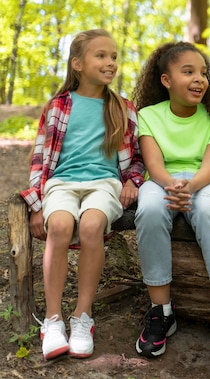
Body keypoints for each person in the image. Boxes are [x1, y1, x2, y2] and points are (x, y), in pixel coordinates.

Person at [21, 29, 144, 360]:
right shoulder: (58, 106)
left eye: (114, 56)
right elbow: (39, 159)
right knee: (58, 227)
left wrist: (133, 181)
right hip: (61, 183)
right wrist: (36, 204)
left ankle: (82, 317)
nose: (110, 62)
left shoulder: (122, 107)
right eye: (101, 55)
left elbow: (136, 158)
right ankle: (53, 320)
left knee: (91, 227)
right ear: (77, 63)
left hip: (104, 184)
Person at [131, 42, 210, 364]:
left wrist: (189, 188)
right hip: (162, 181)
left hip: (205, 183)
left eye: (203, 73)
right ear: (166, 80)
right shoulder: (148, 116)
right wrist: (172, 186)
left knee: (208, 210)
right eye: (189, 72)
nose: (199, 79)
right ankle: (161, 312)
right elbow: (154, 164)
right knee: (150, 208)